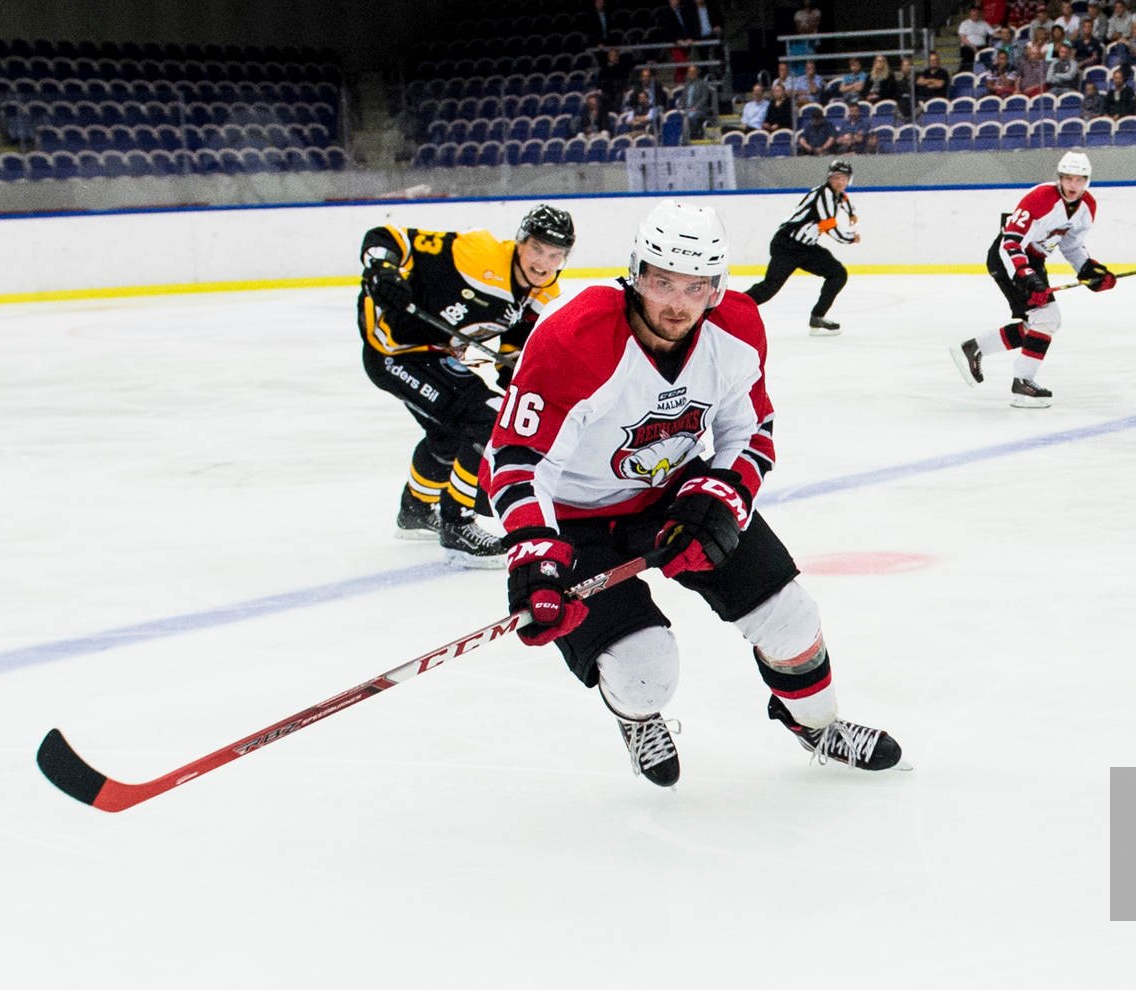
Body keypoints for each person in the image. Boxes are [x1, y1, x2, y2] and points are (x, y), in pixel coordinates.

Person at [483, 200, 905, 786]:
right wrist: (533, 552)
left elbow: (751, 429)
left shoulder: (735, 327)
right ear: (636, 273)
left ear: (717, 287)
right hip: (578, 519)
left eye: (696, 286)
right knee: (645, 672)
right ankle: (635, 715)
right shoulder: (573, 338)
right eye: (661, 282)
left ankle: (816, 725)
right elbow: (515, 459)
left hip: (678, 495)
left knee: (790, 620)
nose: (677, 303)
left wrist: (723, 492)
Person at [359, 205, 572, 566]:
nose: (544, 262)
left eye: (556, 255)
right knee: (485, 420)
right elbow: (387, 238)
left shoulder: (543, 293)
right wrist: (383, 271)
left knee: (449, 435)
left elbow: (515, 351)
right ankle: (457, 524)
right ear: (520, 243)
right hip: (393, 349)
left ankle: (415, 509)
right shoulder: (478, 255)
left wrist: (529, 379)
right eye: (538, 249)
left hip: (437, 352)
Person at [949, 151, 1113, 407]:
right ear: (1060, 178)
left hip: (1034, 261)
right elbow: (1010, 242)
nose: (1073, 185)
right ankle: (1022, 383)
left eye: (1079, 180)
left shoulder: (1087, 206)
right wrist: (1025, 277)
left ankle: (974, 347)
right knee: (1047, 318)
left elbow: (1071, 246)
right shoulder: (1040, 197)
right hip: (1007, 259)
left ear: (1087, 180)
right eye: (1068, 179)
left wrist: (1088, 270)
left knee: (1042, 322)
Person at [743, 159, 858, 334]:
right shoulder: (823, 194)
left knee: (838, 274)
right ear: (829, 178)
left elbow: (844, 200)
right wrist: (850, 238)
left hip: (807, 248)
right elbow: (829, 226)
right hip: (787, 246)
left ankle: (817, 317)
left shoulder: (836, 194)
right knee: (768, 288)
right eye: (836, 178)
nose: (840, 182)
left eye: (844, 178)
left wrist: (851, 213)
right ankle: (728, 308)